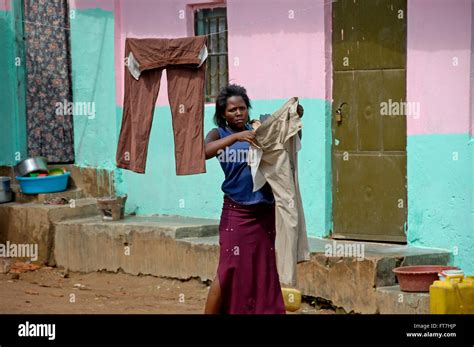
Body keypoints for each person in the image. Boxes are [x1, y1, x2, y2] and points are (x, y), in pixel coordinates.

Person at [203, 84, 303, 314]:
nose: (238, 113)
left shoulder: (260, 128)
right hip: (236, 213)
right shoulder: (219, 134)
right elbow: (203, 151)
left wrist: (294, 120)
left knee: (263, 269)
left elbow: (289, 141)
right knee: (228, 269)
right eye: (232, 110)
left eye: (242, 108)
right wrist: (237, 137)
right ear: (222, 114)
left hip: (264, 212)